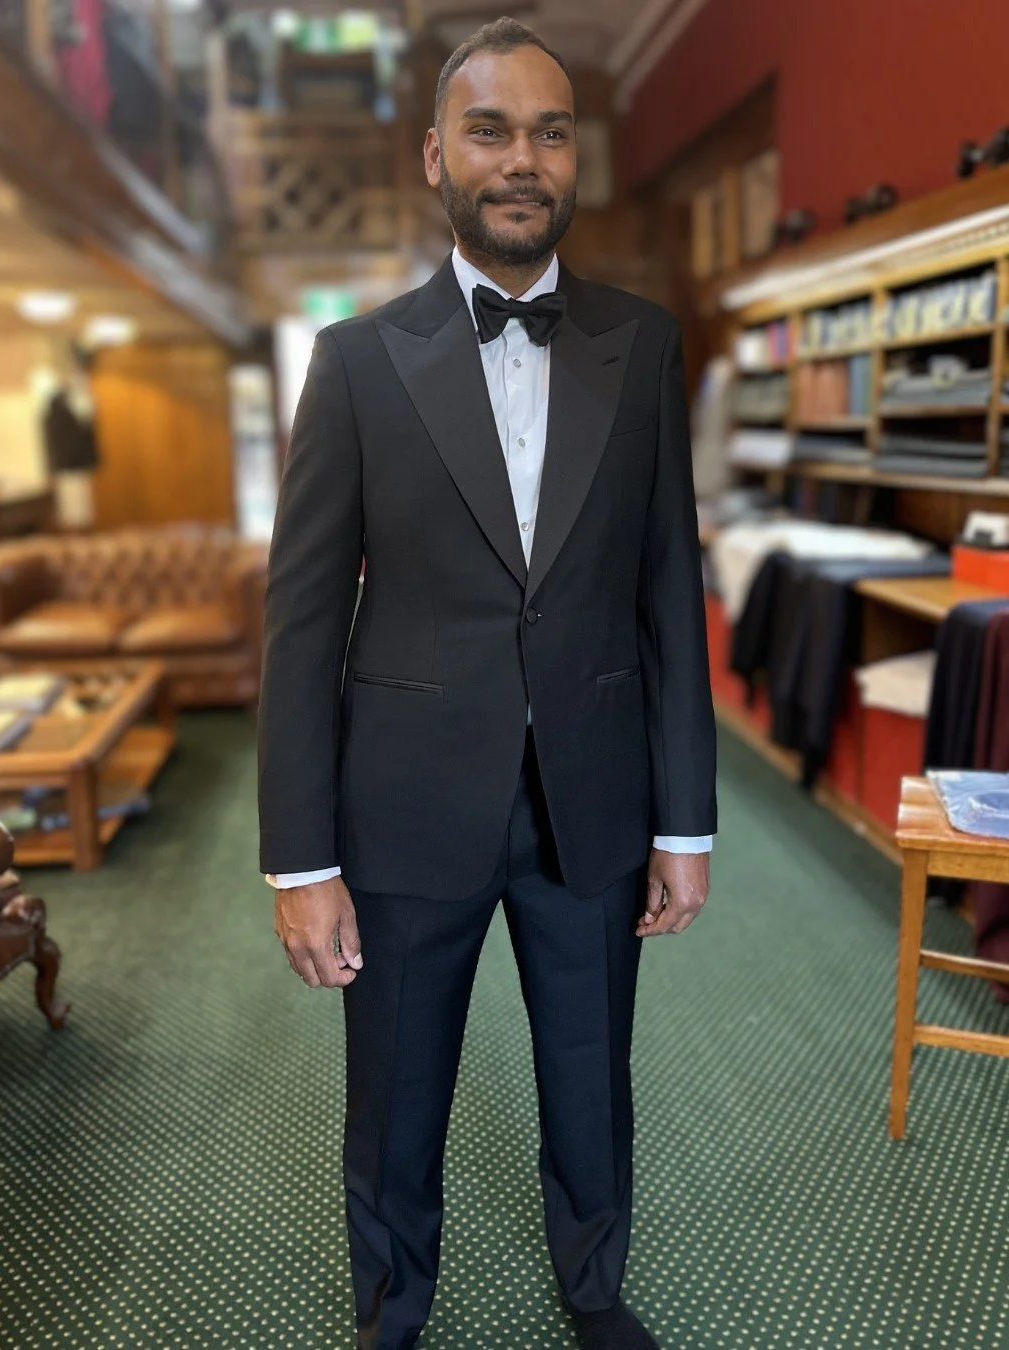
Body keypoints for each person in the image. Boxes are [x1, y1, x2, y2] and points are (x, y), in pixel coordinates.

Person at [258, 19, 717, 1350]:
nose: (524, 158)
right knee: (396, 1090)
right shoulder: (353, 361)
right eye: (493, 130)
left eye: (551, 131)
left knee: (590, 1076)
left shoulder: (644, 346)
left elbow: (665, 589)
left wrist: (683, 821)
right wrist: (301, 859)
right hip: (403, 806)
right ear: (435, 156)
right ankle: (393, 1309)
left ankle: (594, 1285)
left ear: (576, 158)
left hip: (594, 796)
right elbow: (298, 619)